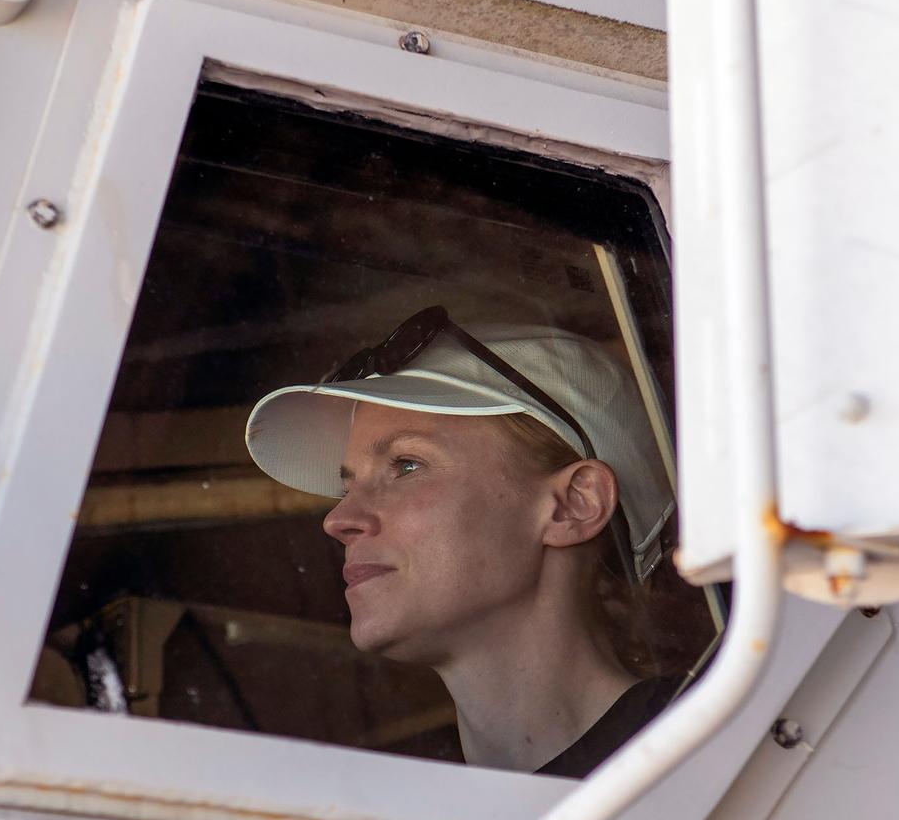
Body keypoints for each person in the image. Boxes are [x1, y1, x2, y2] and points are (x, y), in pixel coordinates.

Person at [245, 305, 680, 778]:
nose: (339, 519)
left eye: (406, 465)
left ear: (575, 504)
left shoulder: (715, 761)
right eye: (349, 486)